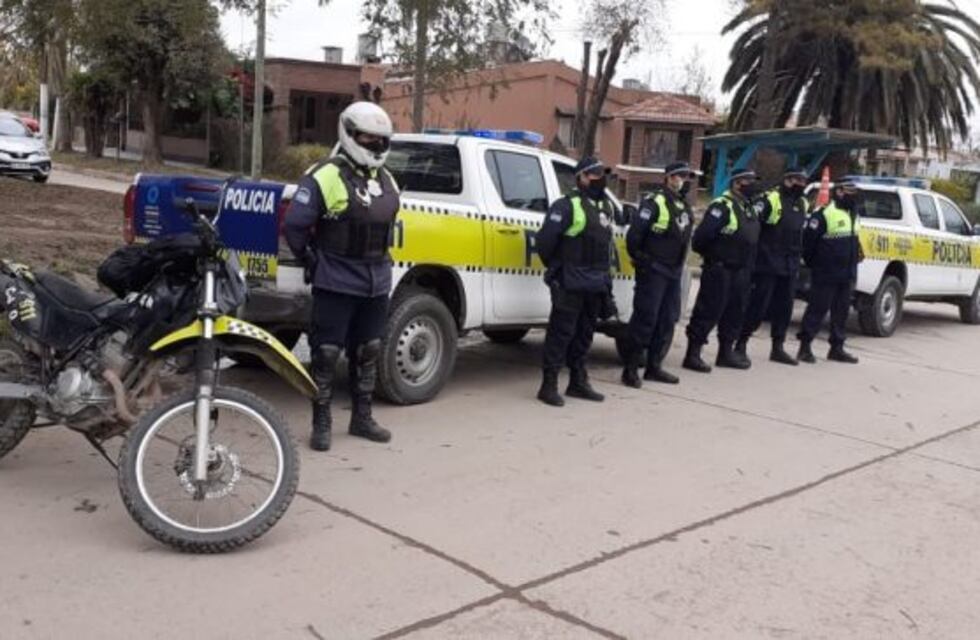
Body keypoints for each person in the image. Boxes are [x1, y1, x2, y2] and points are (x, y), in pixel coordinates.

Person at [283, 101, 399, 451]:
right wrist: (311, 260)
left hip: (376, 279)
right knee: (326, 353)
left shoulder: (387, 178)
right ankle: (321, 422)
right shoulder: (325, 174)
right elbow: (295, 226)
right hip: (335, 278)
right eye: (367, 138)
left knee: (369, 349)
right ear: (349, 134)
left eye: (381, 140)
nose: (375, 146)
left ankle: (362, 418)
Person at [535, 156, 615, 407]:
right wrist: (558, 270)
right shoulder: (566, 206)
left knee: (584, 334)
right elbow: (545, 243)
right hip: (570, 282)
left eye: (601, 173)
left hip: (595, 283)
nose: (598, 178)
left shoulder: (605, 207)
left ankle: (578, 382)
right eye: (593, 174)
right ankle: (548, 385)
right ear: (580, 177)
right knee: (561, 334)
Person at [621, 162, 694, 387]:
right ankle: (631, 369)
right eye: (678, 176)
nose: (682, 180)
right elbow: (634, 237)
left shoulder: (683, 205)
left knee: (667, 320)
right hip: (654, 271)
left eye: (684, 176)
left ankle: (654, 367)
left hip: (673, 271)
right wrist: (643, 261)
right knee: (645, 320)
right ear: (668, 178)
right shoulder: (654, 201)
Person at [683, 168, 762, 373]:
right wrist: (715, 258)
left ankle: (725, 353)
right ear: (737, 183)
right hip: (720, 269)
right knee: (708, 311)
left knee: (735, 312)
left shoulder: (748, 207)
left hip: (742, 271)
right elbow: (701, 239)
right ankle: (693, 354)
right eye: (749, 181)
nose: (753, 185)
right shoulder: (722, 206)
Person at [736, 166, 810, 366]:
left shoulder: (802, 202)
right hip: (767, 263)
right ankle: (741, 343)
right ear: (788, 180)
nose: (802, 185)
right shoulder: (770, 199)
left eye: (804, 181)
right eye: (799, 180)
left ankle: (778, 347)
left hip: (789, 264)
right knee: (758, 307)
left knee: (785, 308)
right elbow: (751, 226)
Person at [797, 180, 864, 364]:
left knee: (841, 312)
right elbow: (809, 244)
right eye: (851, 191)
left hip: (847, 273)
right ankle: (804, 347)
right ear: (840, 192)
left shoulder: (853, 214)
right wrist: (817, 265)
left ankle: (837, 348)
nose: (854, 195)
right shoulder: (825, 213)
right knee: (817, 310)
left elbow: (853, 240)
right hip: (826, 273)